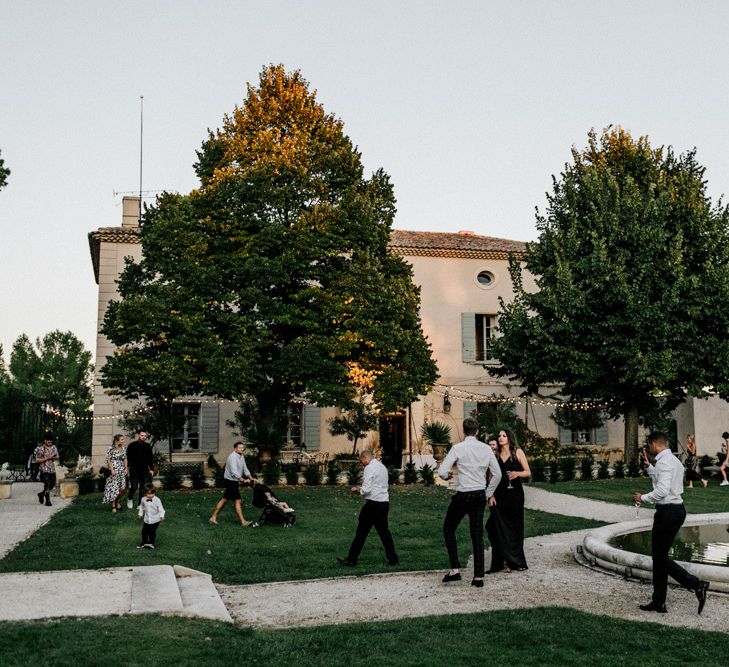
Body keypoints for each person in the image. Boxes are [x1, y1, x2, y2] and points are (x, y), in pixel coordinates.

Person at [632, 431, 710, 614]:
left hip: (667, 513)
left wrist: (641, 497)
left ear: (653, 445)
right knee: (659, 557)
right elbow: (664, 480)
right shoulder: (673, 461)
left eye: (649, 447)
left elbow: (662, 491)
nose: (649, 450)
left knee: (659, 557)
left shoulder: (664, 462)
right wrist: (649, 467)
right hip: (675, 511)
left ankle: (697, 584)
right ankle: (659, 602)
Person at [438, 417, 501, 588]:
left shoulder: (458, 448)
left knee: (449, 528)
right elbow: (498, 474)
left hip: (463, 494)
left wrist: (447, 476)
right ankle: (478, 576)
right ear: (478, 431)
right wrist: (488, 493)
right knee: (477, 533)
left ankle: (455, 569)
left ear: (464, 431)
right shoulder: (486, 449)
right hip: (479, 495)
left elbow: (442, 471)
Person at [337, 450, 399, 567]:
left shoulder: (369, 468)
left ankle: (351, 559)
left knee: (361, 533)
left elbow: (367, 489)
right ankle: (393, 559)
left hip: (372, 505)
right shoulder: (382, 467)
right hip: (384, 503)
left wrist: (358, 490)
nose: (361, 464)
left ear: (366, 458)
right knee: (384, 533)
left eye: (361, 461)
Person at [486, 428, 531, 573]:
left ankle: (516, 561)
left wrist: (517, 473)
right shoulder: (495, 454)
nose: (500, 438)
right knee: (496, 527)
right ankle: (503, 561)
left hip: (515, 495)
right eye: (499, 435)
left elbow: (528, 472)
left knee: (515, 527)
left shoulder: (517, 452)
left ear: (510, 438)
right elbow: (490, 476)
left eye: (503, 436)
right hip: (498, 496)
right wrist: (490, 495)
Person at [209, 441, 254, 526]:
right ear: (235, 448)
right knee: (238, 500)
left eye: (242, 447)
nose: (242, 449)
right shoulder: (232, 457)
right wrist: (242, 480)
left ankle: (213, 518)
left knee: (224, 500)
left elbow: (245, 468)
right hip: (230, 481)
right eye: (240, 447)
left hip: (234, 481)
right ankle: (243, 522)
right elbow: (234, 472)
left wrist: (251, 478)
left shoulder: (241, 456)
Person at [126, 431, 154, 508]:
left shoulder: (147, 446)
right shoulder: (132, 445)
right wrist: (127, 468)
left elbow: (150, 458)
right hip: (134, 470)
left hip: (144, 470)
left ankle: (140, 504)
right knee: (134, 487)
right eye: (142, 435)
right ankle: (130, 498)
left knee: (143, 488)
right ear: (139, 436)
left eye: (145, 436)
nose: (143, 437)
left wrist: (151, 469)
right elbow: (127, 458)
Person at [103, 434, 128, 513]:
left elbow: (125, 459)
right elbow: (109, 459)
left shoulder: (123, 448)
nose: (123, 441)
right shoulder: (111, 449)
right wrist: (111, 469)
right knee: (114, 488)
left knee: (122, 489)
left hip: (121, 469)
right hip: (114, 470)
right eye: (122, 439)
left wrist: (126, 468)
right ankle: (113, 504)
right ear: (117, 441)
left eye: (123, 439)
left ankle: (119, 501)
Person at [137, 484, 165, 549]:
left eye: (152, 494)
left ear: (154, 493)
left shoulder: (157, 500)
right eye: (148, 494)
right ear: (145, 493)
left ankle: (151, 543)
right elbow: (142, 507)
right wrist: (140, 514)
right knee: (144, 532)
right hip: (147, 519)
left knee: (152, 532)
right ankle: (144, 542)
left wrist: (162, 516)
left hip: (155, 520)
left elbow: (161, 508)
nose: (150, 495)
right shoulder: (143, 499)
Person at [34, 437, 59, 506]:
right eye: (49, 442)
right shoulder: (40, 449)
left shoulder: (54, 448)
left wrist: (53, 457)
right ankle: (48, 501)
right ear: (45, 441)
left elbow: (57, 457)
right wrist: (47, 458)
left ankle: (41, 494)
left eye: (51, 442)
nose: (50, 443)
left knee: (52, 484)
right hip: (44, 469)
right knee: (47, 484)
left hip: (52, 469)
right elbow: (37, 460)